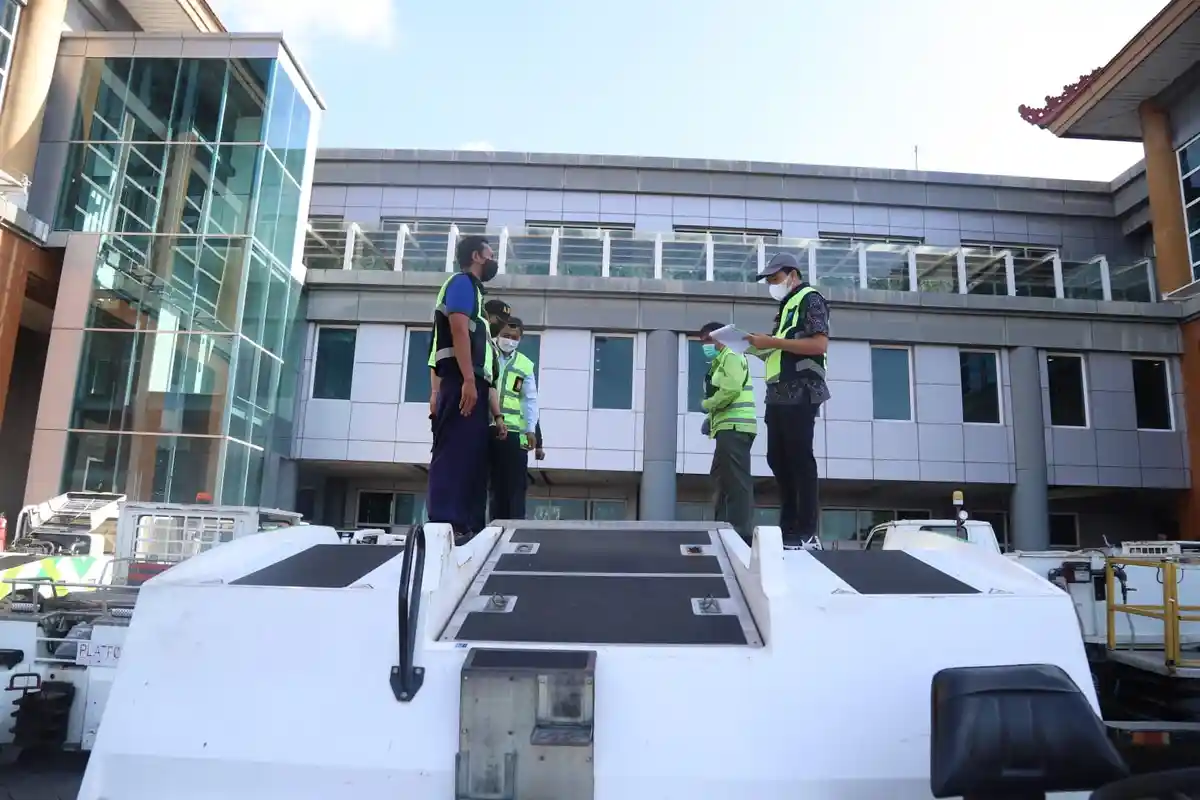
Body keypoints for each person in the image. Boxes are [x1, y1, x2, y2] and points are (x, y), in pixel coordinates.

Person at [743, 252, 830, 549]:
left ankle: (807, 530)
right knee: (777, 458)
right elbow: (783, 349)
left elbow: (819, 343)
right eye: (768, 280)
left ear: (792, 273)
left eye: (775, 278)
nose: (771, 283)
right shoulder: (785, 306)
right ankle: (789, 526)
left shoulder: (810, 298)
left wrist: (773, 342)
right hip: (779, 391)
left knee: (799, 459)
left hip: (802, 389)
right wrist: (757, 346)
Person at [425, 234, 500, 539]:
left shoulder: (477, 296)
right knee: (454, 452)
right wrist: (468, 379)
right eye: (491, 254)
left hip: (473, 384)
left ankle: (464, 524)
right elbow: (457, 329)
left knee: (469, 456)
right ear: (477, 256)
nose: (494, 259)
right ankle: (446, 522)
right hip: (460, 382)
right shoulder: (461, 284)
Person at [698, 321, 757, 544]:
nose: (704, 346)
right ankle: (724, 525)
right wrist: (710, 418)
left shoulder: (731, 355)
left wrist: (708, 405)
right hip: (727, 427)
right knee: (723, 477)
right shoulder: (721, 361)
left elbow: (730, 389)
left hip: (735, 427)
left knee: (735, 480)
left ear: (718, 338)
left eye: (706, 341)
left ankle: (740, 531)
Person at [489, 316, 539, 520]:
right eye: (506, 335)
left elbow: (530, 400)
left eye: (514, 337)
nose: (510, 340)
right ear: (498, 334)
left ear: (521, 339)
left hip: (515, 433)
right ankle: (490, 526)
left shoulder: (525, 365)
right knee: (493, 483)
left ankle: (514, 526)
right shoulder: (487, 353)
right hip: (488, 428)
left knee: (516, 483)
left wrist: (531, 430)